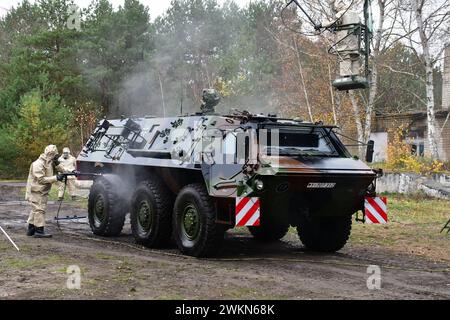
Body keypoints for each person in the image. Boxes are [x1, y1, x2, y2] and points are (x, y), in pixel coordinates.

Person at [25, 145, 64, 238]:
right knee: (39, 210)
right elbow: (41, 180)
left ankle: (31, 229)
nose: (56, 157)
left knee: (35, 209)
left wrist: (60, 166)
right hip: (36, 190)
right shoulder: (38, 164)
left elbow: (62, 170)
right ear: (51, 154)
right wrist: (56, 178)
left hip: (41, 191)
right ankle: (39, 230)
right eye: (55, 155)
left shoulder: (49, 162)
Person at [322, 0, 362, 77]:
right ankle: (355, 77)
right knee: (354, 60)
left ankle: (346, 78)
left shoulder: (341, 13)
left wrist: (322, 24)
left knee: (345, 61)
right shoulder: (355, 14)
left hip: (345, 44)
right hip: (355, 45)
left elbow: (335, 22)